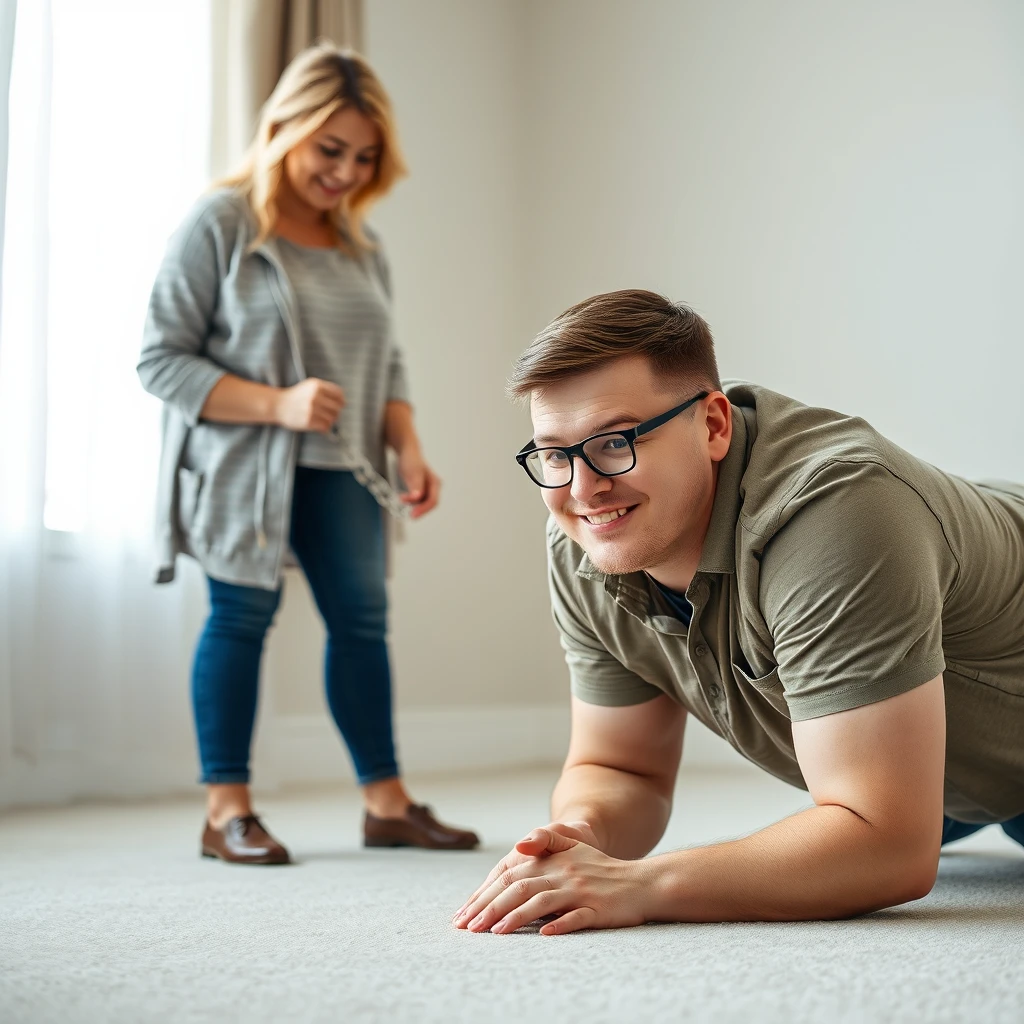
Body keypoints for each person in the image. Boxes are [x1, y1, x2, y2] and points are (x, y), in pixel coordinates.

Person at [454, 288, 1023, 934]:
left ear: (715, 425)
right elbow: (620, 766)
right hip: (949, 769)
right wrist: (584, 833)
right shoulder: (586, 543)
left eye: (614, 442)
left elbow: (889, 843)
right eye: (555, 455)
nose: (584, 490)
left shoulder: (837, 514)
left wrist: (643, 885)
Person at [138, 43, 478, 865]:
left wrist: (409, 445)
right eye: (331, 150)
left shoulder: (362, 244)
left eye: (364, 158)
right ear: (284, 127)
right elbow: (161, 359)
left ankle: (386, 803)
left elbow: (386, 361)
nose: (346, 172)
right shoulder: (220, 223)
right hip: (243, 469)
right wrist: (277, 405)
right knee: (241, 619)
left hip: (346, 467)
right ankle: (226, 812)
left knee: (362, 624)